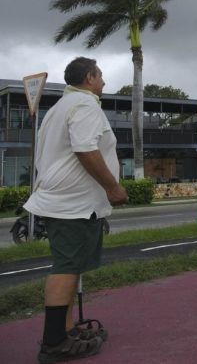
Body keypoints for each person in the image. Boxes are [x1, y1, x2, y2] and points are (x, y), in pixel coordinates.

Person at [23, 57, 128, 363]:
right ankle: (54, 342)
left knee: (70, 266)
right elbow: (86, 149)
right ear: (89, 77)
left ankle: (66, 330)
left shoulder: (59, 108)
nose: (105, 82)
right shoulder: (85, 106)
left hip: (69, 202)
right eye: (101, 76)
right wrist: (113, 187)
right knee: (66, 267)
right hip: (72, 203)